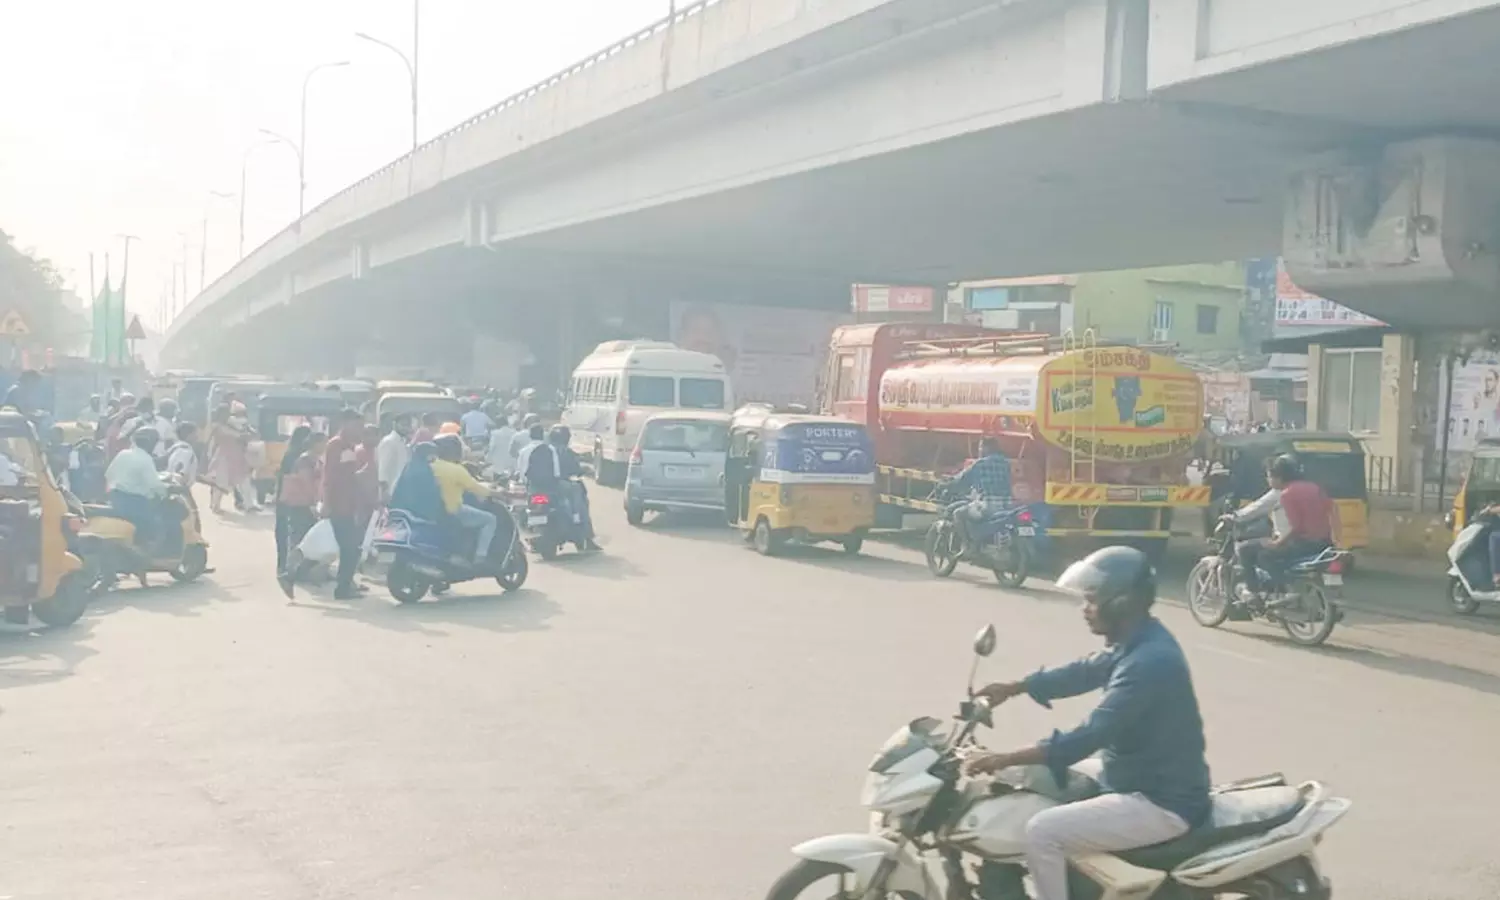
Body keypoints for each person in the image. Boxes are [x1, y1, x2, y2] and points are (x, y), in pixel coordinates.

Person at [961, 546, 1211, 900]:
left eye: (1092, 600)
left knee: (1041, 831)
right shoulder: (1138, 641)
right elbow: (1085, 670)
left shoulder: (1150, 663)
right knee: (1031, 783)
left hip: (1160, 800)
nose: (1085, 609)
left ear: (1122, 603)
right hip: (1136, 772)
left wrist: (1001, 758)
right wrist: (1016, 687)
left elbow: (1089, 735)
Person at [1229, 454, 1334, 597]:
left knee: (1247, 550)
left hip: (1299, 542)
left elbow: (1295, 526)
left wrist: (1278, 543)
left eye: (1269, 476)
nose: (1268, 480)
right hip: (1323, 542)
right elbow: (1331, 511)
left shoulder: (1283, 493)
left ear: (1279, 477)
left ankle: (1258, 591)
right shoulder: (1314, 487)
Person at [321, 409, 370, 599]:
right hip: (339, 504)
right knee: (349, 548)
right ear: (345, 423)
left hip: (350, 504)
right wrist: (326, 502)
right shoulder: (336, 445)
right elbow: (330, 476)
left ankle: (346, 584)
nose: (360, 429)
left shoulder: (350, 446)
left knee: (351, 547)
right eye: (357, 425)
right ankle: (343, 588)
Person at [431, 433, 500, 565]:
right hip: (454, 511)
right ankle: (480, 557)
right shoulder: (456, 470)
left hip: (434, 511)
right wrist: (497, 494)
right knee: (490, 519)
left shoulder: (431, 466)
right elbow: (476, 488)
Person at [275, 428, 325, 585]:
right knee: (299, 538)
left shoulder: (313, 459)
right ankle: (291, 572)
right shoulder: (304, 460)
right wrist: (314, 503)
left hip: (304, 503)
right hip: (301, 504)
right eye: (323, 442)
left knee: (305, 538)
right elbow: (306, 482)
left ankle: (299, 571)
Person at [947, 436, 1013, 552]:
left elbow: (961, 479)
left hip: (986, 506)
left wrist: (947, 482)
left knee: (958, 513)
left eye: (981, 447)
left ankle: (967, 546)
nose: (979, 450)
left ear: (987, 448)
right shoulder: (1006, 463)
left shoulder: (979, 464)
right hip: (1006, 505)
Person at [105, 427, 167, 548]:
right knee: (155, 523)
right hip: (135, 503)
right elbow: (155, 485)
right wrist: (165, 492)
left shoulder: (123, 454)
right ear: (151, 443)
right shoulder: (146, 459)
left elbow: (109, 475)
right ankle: (145, 548)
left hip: (116, 498)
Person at [548, 425, 600, 550]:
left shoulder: (545, 450)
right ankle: (586, 536)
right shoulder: (565, 451)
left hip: (546, 486)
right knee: (581, 502)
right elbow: (575, 469)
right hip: (563, 484)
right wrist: (583, 470)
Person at [376, 415, 413, 504]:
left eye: (408, 425)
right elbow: (383, 469)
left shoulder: (403, 443)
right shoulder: (389, 441)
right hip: (390, 493)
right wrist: (383, 493)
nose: (405, 428)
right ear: (394, 424)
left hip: (401, 492)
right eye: (403, 425)